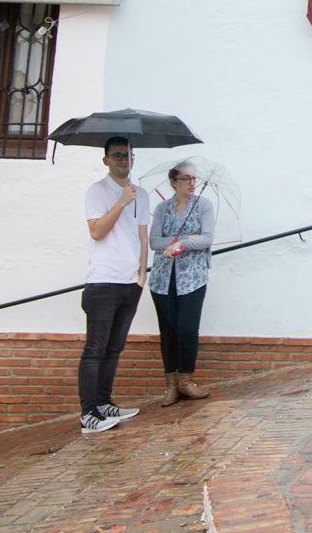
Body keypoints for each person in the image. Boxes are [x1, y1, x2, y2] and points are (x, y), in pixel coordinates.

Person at [79, 136, 149, 433]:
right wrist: (121, 202)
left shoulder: (141, 194)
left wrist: (141, 274)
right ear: (106, 160)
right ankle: (88, 414)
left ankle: (105, 402)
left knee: (114, 348)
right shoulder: (97, 191)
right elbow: (97, 232)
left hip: (129, 281)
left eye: (128, 155)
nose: (124, 160)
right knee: (96, 348)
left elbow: (142, 234)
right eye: (118, 155)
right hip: (103, 281)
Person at [149, 162, 216, 405]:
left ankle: (186, 381)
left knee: (187, 329)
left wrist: (181, 244)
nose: (191, 183)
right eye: (185, 178)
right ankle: (171, 386)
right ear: (173, 182)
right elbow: (154, 241)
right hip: (162, 278)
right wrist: (188, 238)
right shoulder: (162, 209)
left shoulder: (203, 206)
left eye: (193, 179)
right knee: (168, 332)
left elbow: (207, 238)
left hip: (192, 278)